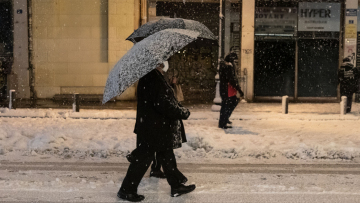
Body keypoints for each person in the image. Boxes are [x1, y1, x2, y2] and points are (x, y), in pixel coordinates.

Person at [117, 63, 196, 202]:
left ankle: (176, 185)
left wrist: (176, 106)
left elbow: (163, 100)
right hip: (152, 128)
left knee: (166, 155)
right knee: (142, 159)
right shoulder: (151, 77)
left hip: (155, 127)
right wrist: (181, 112)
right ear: (155, 63)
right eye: (162, 61)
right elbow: (162, 103)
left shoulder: (152, 76)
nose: (164, 64)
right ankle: (126, 190)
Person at [219, 49, 244, 129]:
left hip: (224, 89)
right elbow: (232, 80)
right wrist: (239, 90)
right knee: (228, 105)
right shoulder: (228, 67)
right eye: (234, 60)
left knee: (226, 105)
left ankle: (224, 120)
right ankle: (223, 122)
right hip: (227, 90)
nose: (235, 62)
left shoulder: (223, 66)